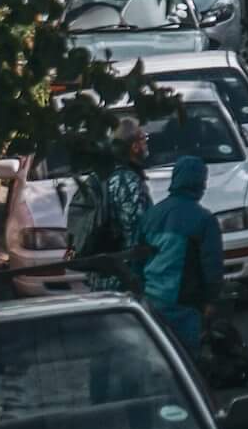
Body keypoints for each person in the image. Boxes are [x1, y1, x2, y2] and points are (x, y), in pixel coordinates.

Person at [139, 153, 225, 353]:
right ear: (200, 183)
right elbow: (212, 265)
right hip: (185, 305)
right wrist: (212, 300)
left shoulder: (151, 215)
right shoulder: (204, 219)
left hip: (151, 300)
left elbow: (138, 259)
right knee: (187, 360)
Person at [82, 117, 152, 294]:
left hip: (100, 273)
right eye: (144, 138)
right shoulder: (126, 180)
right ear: (134, 146)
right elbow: (136, 229)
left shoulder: (101, 175)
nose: (146, 144)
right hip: (121, 279)